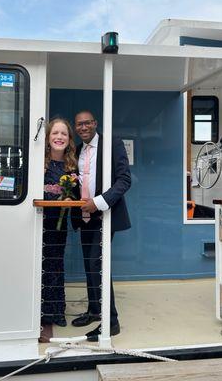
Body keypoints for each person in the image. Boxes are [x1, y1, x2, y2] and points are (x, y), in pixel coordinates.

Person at [71, 110, 131, 342]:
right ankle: (95, 310)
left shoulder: (112, 144)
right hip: (84, 218)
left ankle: (111, 321)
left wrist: (98, 203)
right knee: (90, 264)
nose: (83, 127)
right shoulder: (77, 150)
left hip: (105, 214)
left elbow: (124, 179)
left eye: (87, 123)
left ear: (95, 124)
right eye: (79, 124)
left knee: (98, 265)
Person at [40, 118, 77, 342]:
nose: (59, 137)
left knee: (55, 266)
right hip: (38, 223)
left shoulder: (71, 167)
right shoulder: (39, 163)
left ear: (69, 139)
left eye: (64, 133)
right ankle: (39, 313)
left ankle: (54, 313)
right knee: (39, 267)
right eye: (55, 133)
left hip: (59, 226)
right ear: (48, 137)